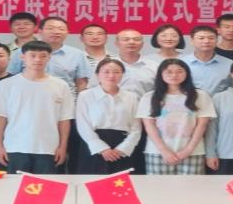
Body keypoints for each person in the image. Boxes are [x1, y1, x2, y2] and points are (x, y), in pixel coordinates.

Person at [0, 41, 74, 174]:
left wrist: (63, 146)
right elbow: (0, 117)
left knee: (45, 186)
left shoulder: (61, 85)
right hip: (15, 147)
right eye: (32, 55)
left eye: (43, 56)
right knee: (15, 185)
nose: (37, 60)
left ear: (49, 57)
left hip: (48, 148)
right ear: (23, 57)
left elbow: (64, 119)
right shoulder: (6, 84)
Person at [137, 59, 215, 175]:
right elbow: (149, 126)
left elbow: (202, 125)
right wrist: (164, 150)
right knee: (158, 186)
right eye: (169, 72)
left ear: (187, 73)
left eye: (179, 71)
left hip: (193, 152)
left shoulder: (200, 95)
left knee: (192, 186)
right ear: (161, 74)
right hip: (158, 152)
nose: (174, 75)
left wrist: (188, 150)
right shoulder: (149, 97)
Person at [75, 58, 142, 175]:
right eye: (106, 72)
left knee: (121, 182)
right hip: (93, 144)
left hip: (121, 147)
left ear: (122, 74)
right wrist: (101, 148)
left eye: (116, 72)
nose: (111, 75)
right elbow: (83, 124)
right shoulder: (85, 96)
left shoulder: (131, 97)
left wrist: (123, 148)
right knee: (92, 180)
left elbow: (136, 127)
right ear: (97, 74)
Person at [7, 16, 90, 94]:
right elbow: (11, 77)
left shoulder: (77, 54)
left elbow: (81, 83)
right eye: (50, 28)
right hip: (28, 97)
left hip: (63, 99)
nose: (56, 32)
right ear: (40, 31)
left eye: (61, 29)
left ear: (67, 32)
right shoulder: (24, 51)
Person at [114, 29, 155, 175]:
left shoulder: (153, 67)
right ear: (116, 43)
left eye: (136, 39)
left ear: (142, 44)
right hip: (114, 120)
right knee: (115, 158)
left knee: (139, 161)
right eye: (126, 39)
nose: (131, 42)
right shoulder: (106, 66)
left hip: (145, 120)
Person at [181, 25, 233, 96]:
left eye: (211, 38)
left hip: (219, 102)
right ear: (192, 41)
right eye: (201, 38)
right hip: (188, 102)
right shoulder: (181, 63)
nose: (206, 41)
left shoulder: (230, 64)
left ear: (217, 40)